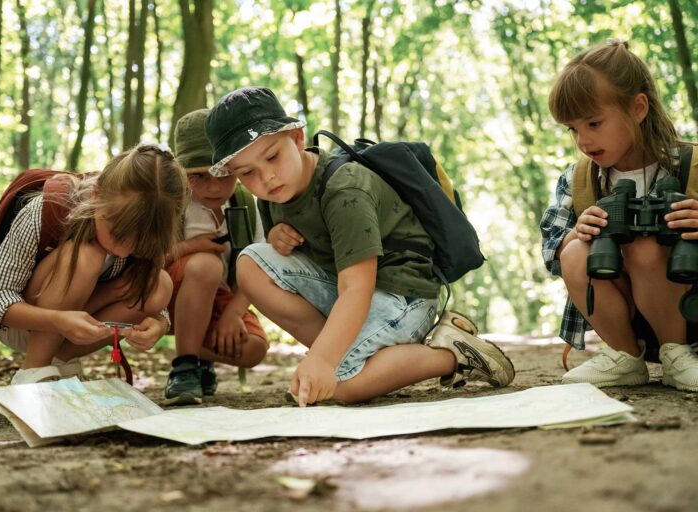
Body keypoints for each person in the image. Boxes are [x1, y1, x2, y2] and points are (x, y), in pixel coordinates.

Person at [204, 86, 514, 407]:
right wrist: (276, 238)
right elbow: (311, 268)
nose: (266, 177)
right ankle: (349, 358)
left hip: (403, 294)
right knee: (251, 263)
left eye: (272, 157)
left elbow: (356, 287)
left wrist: (324, 361)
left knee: (343, 385)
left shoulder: (345, 189)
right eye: (247, 173)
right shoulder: (271, 198)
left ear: (297, 138)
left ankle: (451, 352)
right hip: (348, 293)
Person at [0, 144, 185, 385]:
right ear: (96, 194)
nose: (127, 248)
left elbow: (156, 302)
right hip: (23, 323)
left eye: (142, 241)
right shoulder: (46, 211)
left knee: (160, 284)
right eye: (118, 232)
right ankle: (34, 372)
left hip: (76, 334)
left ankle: (61, 363)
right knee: (86, 255)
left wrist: (159, 323)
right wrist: (58, 321)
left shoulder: (148, 225)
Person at [540, 39, 698, 391]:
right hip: (625, 313)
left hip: (688, 310)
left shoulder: (691, 165)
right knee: (575, 252)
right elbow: (551, 253)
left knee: (646, 247)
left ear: (638, 108)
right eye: (573, 128)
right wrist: (577, 233)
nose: (583, 140)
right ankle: (626, 357)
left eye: (594, 123)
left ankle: (677, 356)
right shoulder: (580, 179)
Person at [164, 109, 269, 405]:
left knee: (253, 348)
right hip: (165, 294)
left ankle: (198, 355)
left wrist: (234, 313)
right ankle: (185, 366)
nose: (213, 186)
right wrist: (190, 246)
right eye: (198, 176)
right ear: (181, 175)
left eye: (223, 174)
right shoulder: (172, 205)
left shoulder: (247, 205)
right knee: (206, 264)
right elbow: (145, 262)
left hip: (218, 298)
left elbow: (259, 266)